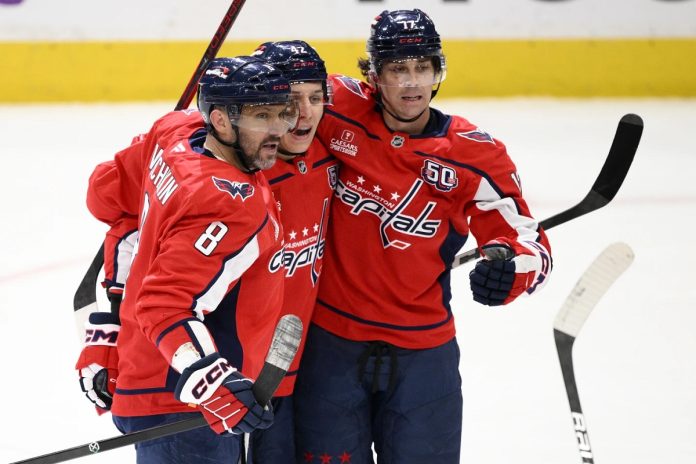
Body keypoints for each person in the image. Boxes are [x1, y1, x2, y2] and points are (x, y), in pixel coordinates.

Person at [293, 9, 552, 464]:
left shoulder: (474, 155)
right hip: (330, 344)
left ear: (437, 71)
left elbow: (532, 245)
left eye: (423, 67)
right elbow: (261, 100)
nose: (412, 82)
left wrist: (511, 269)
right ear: (373, 74)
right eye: (398, 68)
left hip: (422, 354)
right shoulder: (335, 108)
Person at [76, 55, 299, 463]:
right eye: (260, 116)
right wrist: (213, 383)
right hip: (183, 406)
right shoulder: (228, 204)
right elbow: (165, 305)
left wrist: (107, 334)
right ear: (219, 121)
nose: (277, 131)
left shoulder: (174, 131)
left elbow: (108, 198)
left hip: (147, 378)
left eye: (280, 114)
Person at [245, 41, 338, 463]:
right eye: (289, 101)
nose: (305, 113)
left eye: (315, 98)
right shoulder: (238, 174)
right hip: (247, 375)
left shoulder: (329, 155)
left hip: (311, 365)